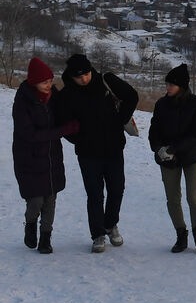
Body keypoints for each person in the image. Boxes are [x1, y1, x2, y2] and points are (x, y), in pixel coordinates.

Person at [58, 53, 138, 253]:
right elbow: (62, 123)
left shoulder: (106, 80)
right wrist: (78, 139)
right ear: (71, 76)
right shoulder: (67, 94)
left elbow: (132, 96)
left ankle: (110, 224)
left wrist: (121, 119)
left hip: (113, 149)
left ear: (91, 70)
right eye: (79, 76)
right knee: (94, 194)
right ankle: (98, 234)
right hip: (87, 153)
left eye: (86, 73)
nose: (84, 78)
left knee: (117, 189)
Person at [12, 58, 79, 254]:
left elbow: (66, 111)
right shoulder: (23, 102)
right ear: (34, 82)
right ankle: (31, 224)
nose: (49, 85)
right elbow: (30, 135)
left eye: (50, 80)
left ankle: (46, 239)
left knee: (50, 200)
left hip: (51, 156)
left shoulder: (54, 96)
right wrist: (64, 130)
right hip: (30, 157)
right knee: (36, 201)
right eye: (45, 82)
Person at [148, 64, 196, 253]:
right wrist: (159, 149)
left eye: (171, 85)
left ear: (182, 86)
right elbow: (154, 130)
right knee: (172, 199)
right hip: (167, 158)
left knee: (193, 197)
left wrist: (174, 149)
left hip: (192, 157)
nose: (167, 88)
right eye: (167, 84)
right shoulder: (161, 104)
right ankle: (181, 235)